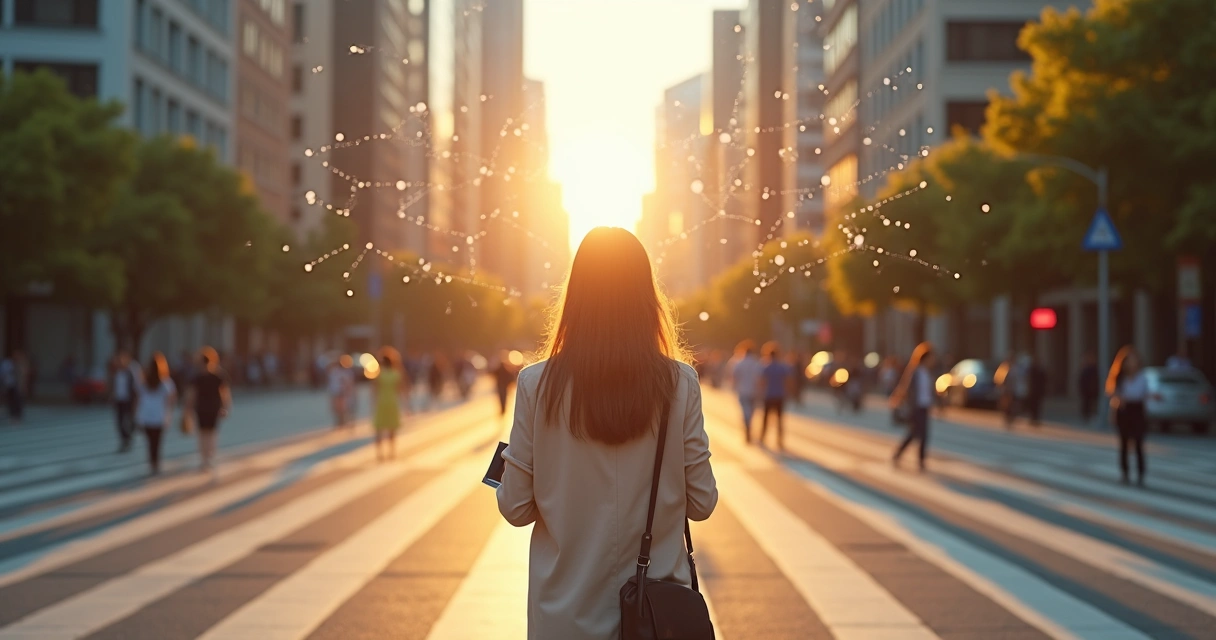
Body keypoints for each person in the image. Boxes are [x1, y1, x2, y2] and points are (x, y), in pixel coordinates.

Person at [496, 227, 717, 639]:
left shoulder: (536, 384)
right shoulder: (679, 383)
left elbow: (515, 508)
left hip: (564, 618)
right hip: (655, 619)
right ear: (646, 298)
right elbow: (702, 501)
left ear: (576, 296)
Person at [891, 343, 936, 471]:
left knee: (920, 434)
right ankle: (905, 456)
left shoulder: (928, 372)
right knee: (916, 434)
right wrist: (899, 400)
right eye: (931, 357)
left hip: (925, 406)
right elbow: (906, 388)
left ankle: (917, 460)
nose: (933, 360)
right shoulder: (915, 371)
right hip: (915, 407)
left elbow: (929, 390)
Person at [1107, 346, 1148, 486]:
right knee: (1124, 444)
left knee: (1138, 444)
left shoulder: (1142, 377)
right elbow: (1112, 394)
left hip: (1137, 410)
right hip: (1123, 411)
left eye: (1134, 360)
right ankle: (1125, 473)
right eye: (1129, 360)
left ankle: (1141, 475)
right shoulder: (1119, 377)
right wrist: (1114, 408)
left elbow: (1145, 393)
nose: (1131, 363)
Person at [186, 347, 231, 472]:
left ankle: (204, 458)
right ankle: (210, 457)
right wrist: (225, 407)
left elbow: (191, 395)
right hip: (213, 408)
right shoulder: (218, 375)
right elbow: (225, 393)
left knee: (202, 434)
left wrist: (188, 409)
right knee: (212, 433)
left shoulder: (197, 376)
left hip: (201, 408)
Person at [135, 352, 176, 475]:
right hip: (159, 416)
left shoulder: (143, 381)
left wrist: (136, 415)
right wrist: (168, 414)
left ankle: (151, 462)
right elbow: (171, 400)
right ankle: (156, 463)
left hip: (146, 416)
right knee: (157, 442)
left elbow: (138, 399)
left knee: (149, 442)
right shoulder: (166, 382)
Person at [372, 347, 409, 461]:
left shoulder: (379, 374)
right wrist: (407, 404)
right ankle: (392, 452)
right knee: (391, 429)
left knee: (379, 429)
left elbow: (374, 390)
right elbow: (402, 389)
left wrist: (373, 403)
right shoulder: (396, 374)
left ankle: (379, 454)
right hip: (392, 402)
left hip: (382, 403)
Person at [758, 342, 793, 450]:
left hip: (769, 395)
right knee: (779, 419)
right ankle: (780, 441)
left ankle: (762, 438)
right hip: (779, 395)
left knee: (765, 418)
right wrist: (788, 392)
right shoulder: (782, 367)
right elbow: (788, 381)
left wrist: (760, 393)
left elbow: (762, 382)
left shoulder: (766, 366)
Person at [727, 340, 763, 443]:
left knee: (745, 411)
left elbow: (734, 376)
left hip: (742, 390)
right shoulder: (756, 363)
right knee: (752, 411)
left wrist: (734, 387)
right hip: (754, 391)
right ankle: (749, 426)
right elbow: (760, 378)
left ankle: (747, 427)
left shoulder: (740, 363)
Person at [111, 350, 140, 451]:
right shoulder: (117, 373)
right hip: (119, 400)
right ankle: (125, 440)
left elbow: (136, 388)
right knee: (119, 421)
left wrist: (135, 401)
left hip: (128, 400)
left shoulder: (130, 372)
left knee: (128, 420)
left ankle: (128, 437)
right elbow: (114, 386)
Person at [1, 350, 29, 423]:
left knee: (17, 400)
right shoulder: (7, 363)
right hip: (9, 384)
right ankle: (12, 415)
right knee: (11, 400)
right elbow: (3, 374)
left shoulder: (21, 364)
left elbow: (23, 375)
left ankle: (17, 415)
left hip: (17, 385)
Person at [327, 357, 353, 428]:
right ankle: (339, 422)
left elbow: (348, 383)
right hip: (337, 392)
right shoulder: (334, 372)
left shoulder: (345, 372)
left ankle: (342, 422)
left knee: (342, 408)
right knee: (338, 408)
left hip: (341, 392)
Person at [1078, 352, 1099, 423]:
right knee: (1086, 403)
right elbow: (1081, 380)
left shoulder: (1094, 368)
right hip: (1086, 390)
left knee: (1091, 403)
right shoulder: (1086, 369)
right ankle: (1086, 416)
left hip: (1092, 390)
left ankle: (1090, 415)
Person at [1026, 355, 1047, 425]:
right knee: (1033, 406)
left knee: (1037, 406)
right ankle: (1033, 418)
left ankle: (1036, 418)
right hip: (1032, 391)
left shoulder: (1040, 370)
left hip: (1037, 391)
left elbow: (1044, 380)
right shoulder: (1032, 369)